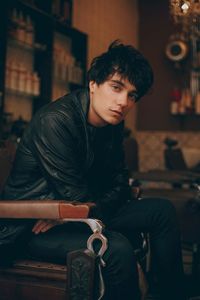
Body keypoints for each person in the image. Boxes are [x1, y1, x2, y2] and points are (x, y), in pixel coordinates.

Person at [1, 41, 186, 300]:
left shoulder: (112, 122)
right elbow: (76, 194)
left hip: (74, 214)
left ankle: (171, 295)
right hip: (31, 226)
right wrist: (73, 209)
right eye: (116, 87)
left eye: (132, 95)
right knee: (115, 246)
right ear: (93, 84)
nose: (123, 102)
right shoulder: (56, 121)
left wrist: (72, 211)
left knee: (162, 211)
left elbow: (119, 183)